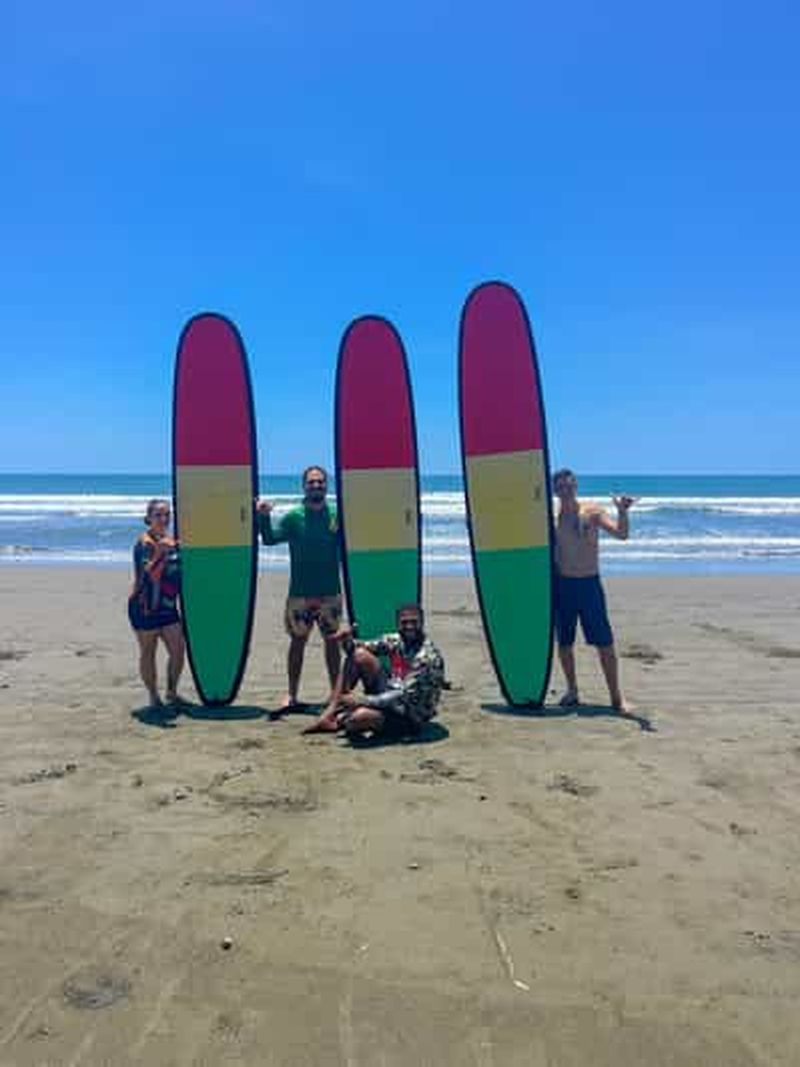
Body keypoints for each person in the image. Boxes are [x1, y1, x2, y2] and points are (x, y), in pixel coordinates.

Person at [256, 466, 342, 710]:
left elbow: (352, 545)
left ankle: (335, 694)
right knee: (297, 643)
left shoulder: (337, 515)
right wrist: (263, 517)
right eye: (312, 482)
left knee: (333, 643)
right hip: (300, 593)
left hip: (330, 593)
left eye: (320, 482)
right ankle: (292, 695)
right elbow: (270, 539)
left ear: (327, 485)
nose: (316, 486)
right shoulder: (294, 516)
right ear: (303, 486)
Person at [552, 468, 636, 712]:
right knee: (564, 642)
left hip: (589, 585)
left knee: (604, 643)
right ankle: (572, 690)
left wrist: (622, 511)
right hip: (563, 585)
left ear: (575, 486)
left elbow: (622, 534)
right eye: (560, 487)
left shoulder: (593, 513)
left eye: (569, 486)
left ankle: (617, 698)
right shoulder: (551, 517)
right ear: (555, 490)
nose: (566, 491)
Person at [303, 603, 445, 740]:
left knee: (359, 718)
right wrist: (346, 640)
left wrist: (362, 701)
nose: (409, 627)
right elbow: (357, 649)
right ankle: (330, 714)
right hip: (390, 694)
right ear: (397, 623)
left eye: (414, 622)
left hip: (411, 714)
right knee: (359, 655)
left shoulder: (427, 656)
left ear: (422, 623)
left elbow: (401, 695)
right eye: (404, 622)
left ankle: (343, 718)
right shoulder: (397, 640)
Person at [127, 498, 185, 707]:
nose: (164, 519)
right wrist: (161, 552)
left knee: (178, 650)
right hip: (144, 607)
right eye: (158, 515)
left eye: (167, 515)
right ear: (148, 518)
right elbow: (149, 575)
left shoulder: (171, 542)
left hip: (167, 607)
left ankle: (171, 691)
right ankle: (153, 696)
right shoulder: (144, 544)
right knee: (148, 652)